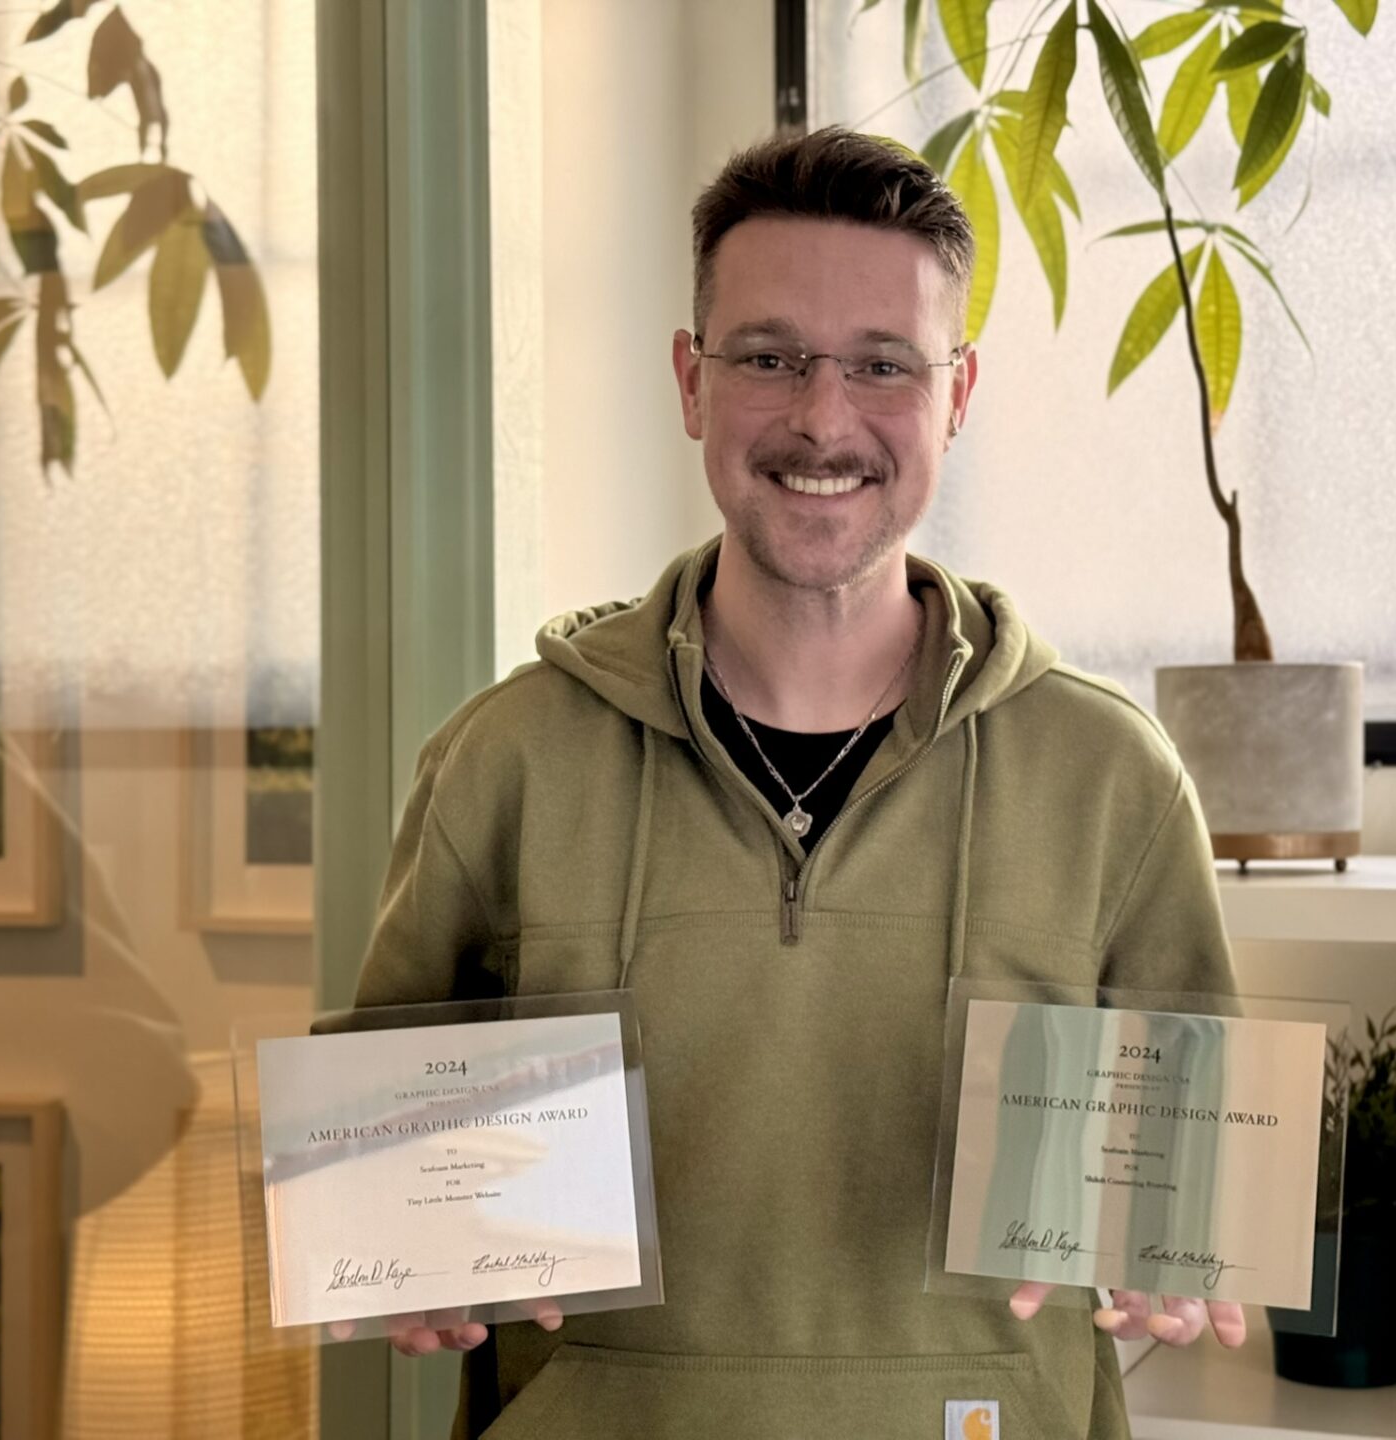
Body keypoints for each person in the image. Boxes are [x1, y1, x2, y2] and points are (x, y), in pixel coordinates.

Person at [353, 126, 1245, 1438]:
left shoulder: (1111, 777)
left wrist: (1176, 1258)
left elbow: (1190, 1192)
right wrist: (402, 1255)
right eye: (770, 359)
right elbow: (388, 1184)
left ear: (958, 393)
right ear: (691, 380)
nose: (825, 418)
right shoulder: (509, 759)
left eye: (885, 365)